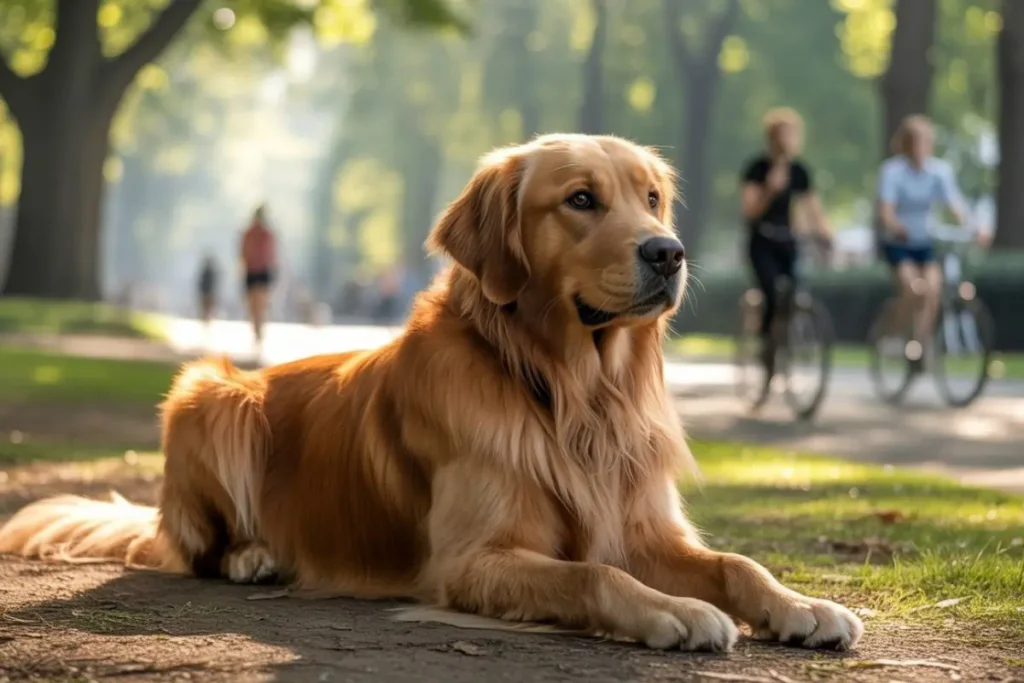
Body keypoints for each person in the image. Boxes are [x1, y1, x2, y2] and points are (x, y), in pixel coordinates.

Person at [876, 114, 979, 370]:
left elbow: (954, 203)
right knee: (912, 288)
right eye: (917, 142)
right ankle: (895, 333)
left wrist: (972, 226)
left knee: (932, 289)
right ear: (907, 144)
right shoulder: (893, 171)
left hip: (926, 241)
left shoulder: (938, 171)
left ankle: (919, 345)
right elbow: (886, 210)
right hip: (900, 241)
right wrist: (895, 225)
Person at [739, 108, 832, 375]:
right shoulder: (757, 169)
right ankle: (765, 344)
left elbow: (813, 207)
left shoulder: (799, 171)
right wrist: (770, 189)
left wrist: (825, 233)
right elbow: (749, 210)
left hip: (787, 240)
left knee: (795, 290)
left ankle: (788, 339)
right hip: (762, 241)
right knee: (770, 291)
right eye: (783, 134)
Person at [240, 204, 278, 345]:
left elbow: (244, 253)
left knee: (257, 303)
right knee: (257, 303)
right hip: (258, 271)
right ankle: (257, 328)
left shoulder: (261, 233)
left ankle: (258, 328)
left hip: (257, 271)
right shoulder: (253, 233)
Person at [197, 254, 218, 325]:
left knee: (206, 306)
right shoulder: (211, 272)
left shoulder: (206, 272)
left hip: (207, 292)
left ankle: (207, 317)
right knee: (207, 306)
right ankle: (207, 318)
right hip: (207, 292)